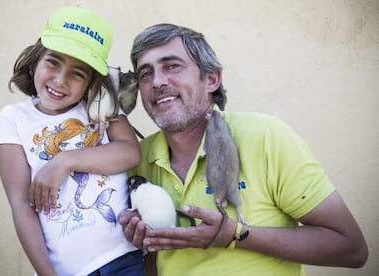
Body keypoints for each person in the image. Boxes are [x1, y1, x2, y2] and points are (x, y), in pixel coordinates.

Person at [118, 23, 369, 276]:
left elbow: (351, 247)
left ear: (212, 79)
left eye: (172, 66)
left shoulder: (265, 136)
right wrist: (138, 241)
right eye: (145, 74)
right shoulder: (135, 158)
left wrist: (234, 235)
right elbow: (153, 262)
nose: (157, 82)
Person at [0, 7, 143, 276]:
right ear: (35, 59)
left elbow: (130, 152)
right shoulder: (13, 119)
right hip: (69, 270)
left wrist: (65, 160)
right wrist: (47, 273)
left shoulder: (100, 107)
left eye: (78, 73)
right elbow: (20, 203)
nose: (60, 80)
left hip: (124, 257)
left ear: (91, 82)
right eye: (53, 62)